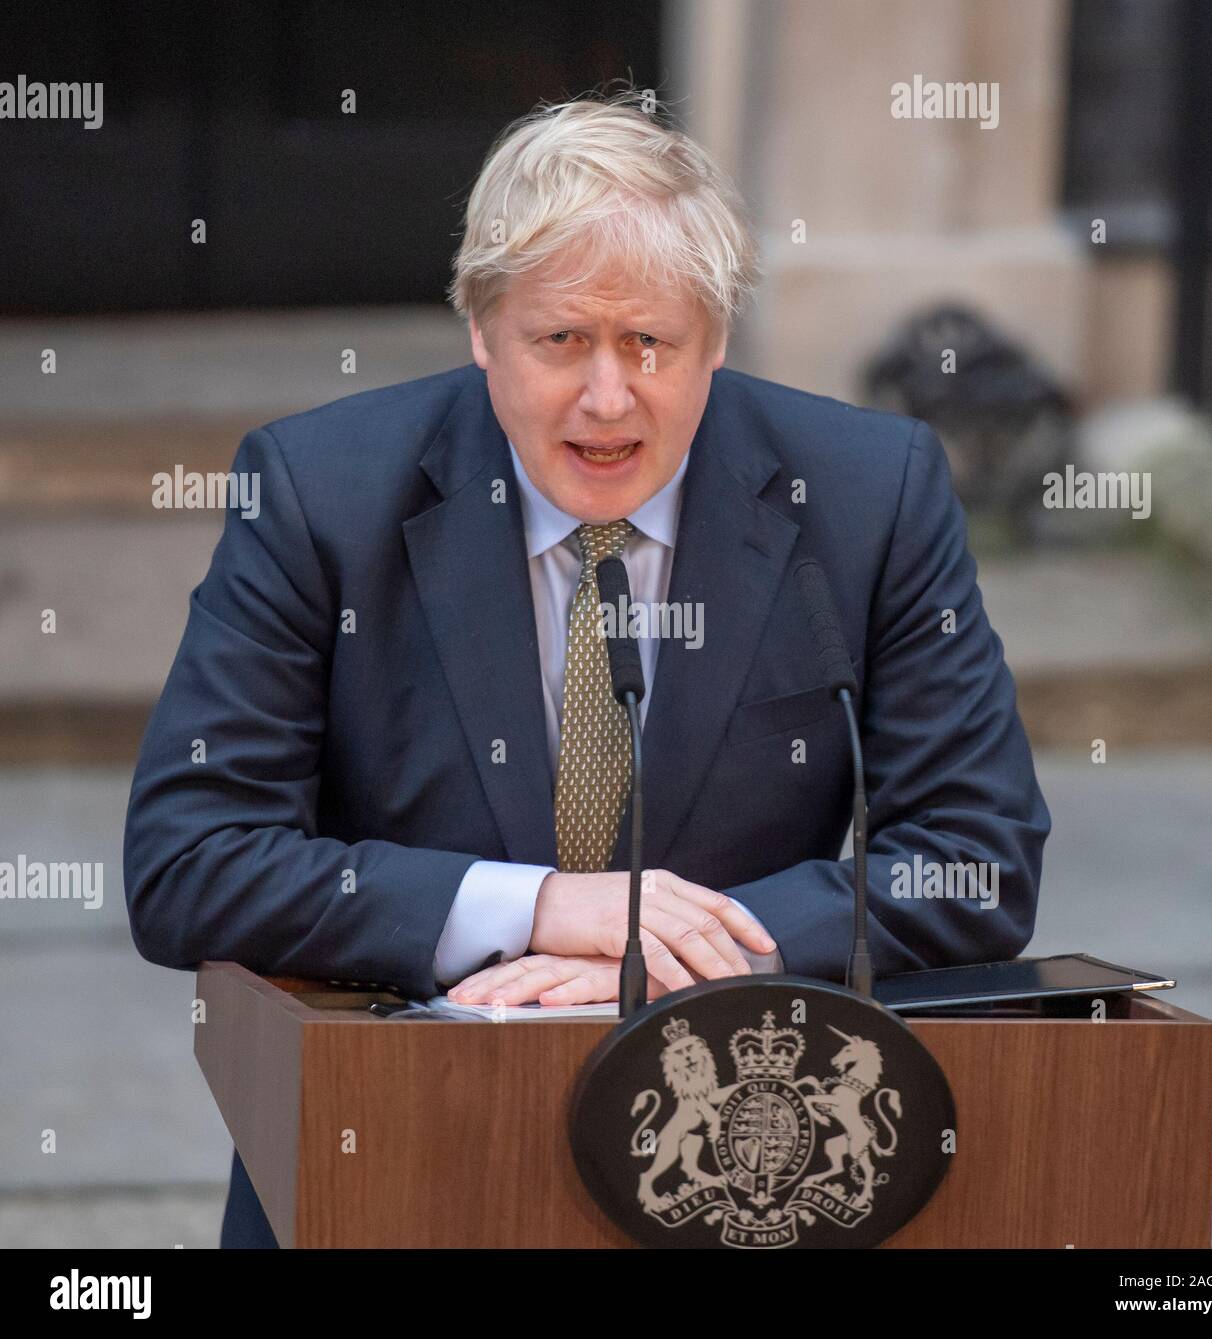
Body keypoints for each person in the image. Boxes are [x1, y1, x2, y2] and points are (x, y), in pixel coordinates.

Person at [123, 91, 1050, 1248]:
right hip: (394, 1156)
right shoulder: (320, 495)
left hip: (735, 1178)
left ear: (715, 339)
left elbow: (975, 857)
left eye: (650, 343)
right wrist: (543, 909)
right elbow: (189, 861)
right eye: (561, 340)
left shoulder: (867, 496)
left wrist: (685, 953)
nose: (607, 398)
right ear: (480, 329)